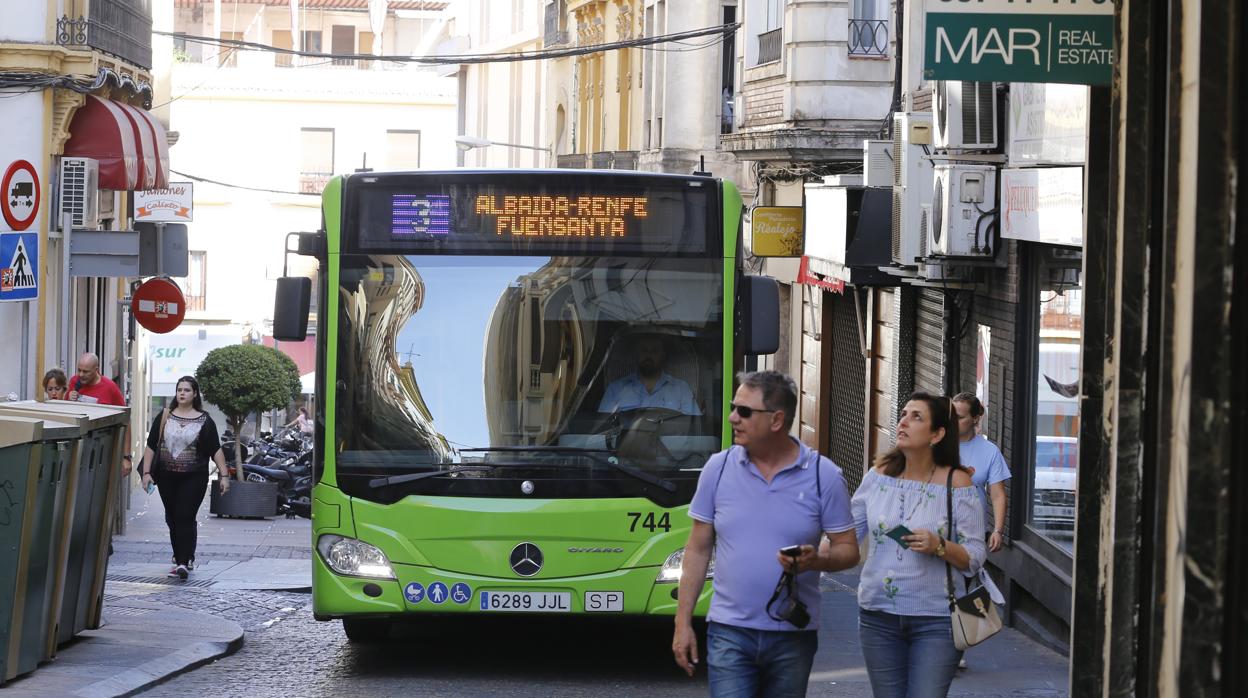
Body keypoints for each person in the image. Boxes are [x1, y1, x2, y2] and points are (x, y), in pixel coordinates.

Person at [672, 370, 859, 696]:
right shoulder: (718, 468)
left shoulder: (823, 476)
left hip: (792, 635)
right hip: (729, 631)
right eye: (733, 407)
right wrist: (682, 622)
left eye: (744, 411)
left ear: (776, 420)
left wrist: (817, 562)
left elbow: (848, 549)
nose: (733, 418)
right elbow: (698, 549)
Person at [851, 391, 986, 698]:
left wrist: (940, 546)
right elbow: (846, 533)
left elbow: (976, 557)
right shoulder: (878, 476)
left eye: (916, 417)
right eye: (903, 414)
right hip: (878, 615)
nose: (903, 422)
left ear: (938, 434)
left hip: (937, 620)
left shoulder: (958, 483)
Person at [139, 375, 230, 580]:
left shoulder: (205, 420)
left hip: (194, 478)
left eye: (187, 390)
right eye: (179, 389)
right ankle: (184, 555)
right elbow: (151, 446)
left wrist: (224, 476)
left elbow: (215, 450)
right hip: (166, 477)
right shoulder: (164, 416)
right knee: (172, 518)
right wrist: (146, 474)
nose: (182, 393)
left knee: (184, 516)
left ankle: (182, 563)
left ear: (195, 394)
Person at [952, 392, 1009, 553]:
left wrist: (998, 530)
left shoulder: (990, 451)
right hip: (940, 527)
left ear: (975, 418)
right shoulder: (937, 445)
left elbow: (998, 495)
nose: (953, 422)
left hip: (974, 531)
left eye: (960, 417)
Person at [599, 335, 700, 415]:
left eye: (655, 350)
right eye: (644, 350)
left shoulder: (682, 389)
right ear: (636, 354)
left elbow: (695, 432)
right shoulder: (616, 389)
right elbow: (602, 430)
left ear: (663, 356)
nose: (649, 355)